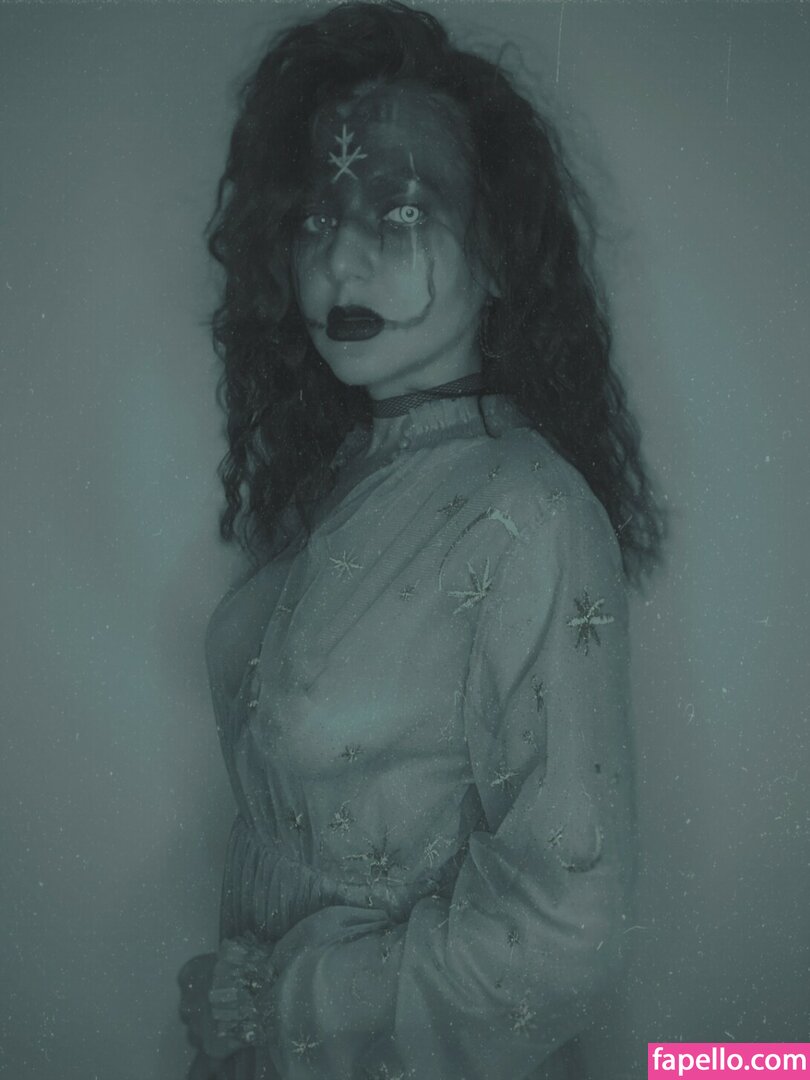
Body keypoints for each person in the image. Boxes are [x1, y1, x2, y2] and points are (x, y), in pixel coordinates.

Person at [177, 2, 666, 1077]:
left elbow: (566, 937)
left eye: (400, 211)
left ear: (500, 253)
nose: (343, 261)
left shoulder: (530, 513)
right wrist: (231, 994)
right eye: (316, 216)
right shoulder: (339, 486)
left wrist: (285, 1000)